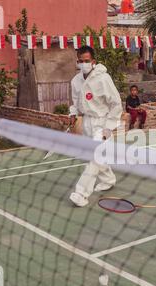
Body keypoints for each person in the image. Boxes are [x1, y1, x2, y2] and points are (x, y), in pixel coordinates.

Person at [68, 46, 123, 207]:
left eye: (87, 61)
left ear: (93, 61)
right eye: (81, 61)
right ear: (77, 62)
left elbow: (116, 103)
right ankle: (108, 179)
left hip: (102, 121)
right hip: (87, 122)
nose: (84, 64)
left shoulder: (103, 79)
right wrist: (72, 114)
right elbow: (76, 102)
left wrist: (109, 126)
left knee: (94, 158)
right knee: (93, 156)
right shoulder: (76, 81)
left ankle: (81, 193)